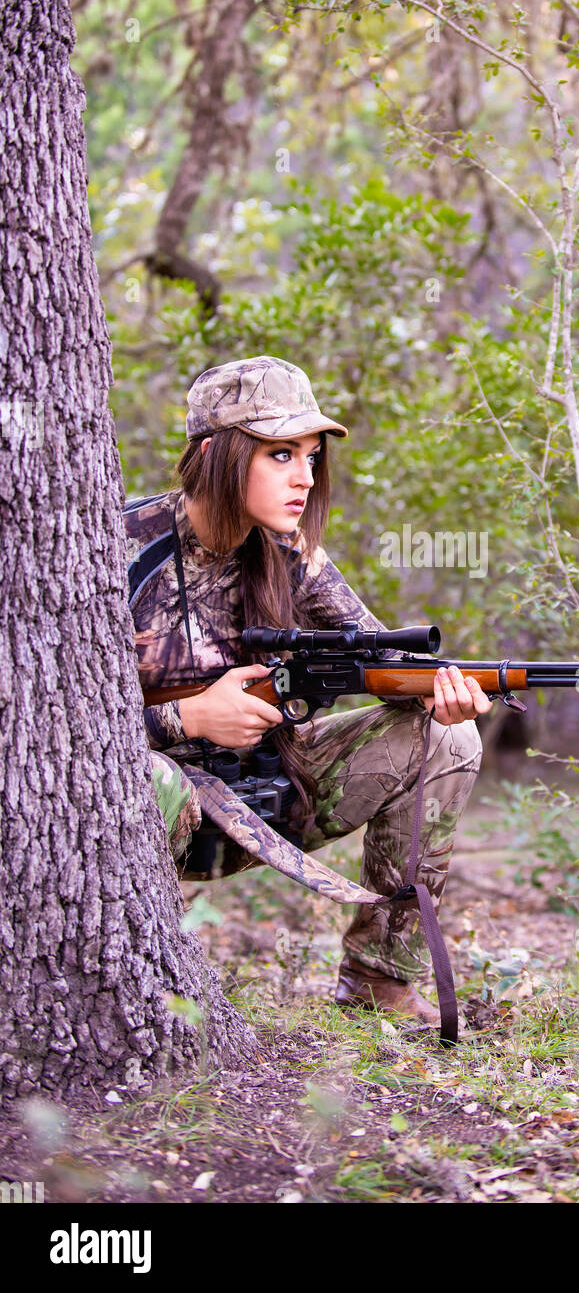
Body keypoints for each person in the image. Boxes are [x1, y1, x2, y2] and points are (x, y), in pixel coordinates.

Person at [125, 356, 488, 1024]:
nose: (304, 477)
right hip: (153, 814)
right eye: (280, 454)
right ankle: (134, 984)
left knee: (446, 734)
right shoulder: (119, 547)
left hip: (263, 798)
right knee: (153, 779)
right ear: (214, 454)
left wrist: (442, 692)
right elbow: (43, 729)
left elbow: (384, 658)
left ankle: (378, 983)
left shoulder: (288, 551)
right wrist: (188, 718)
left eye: (312, 457)